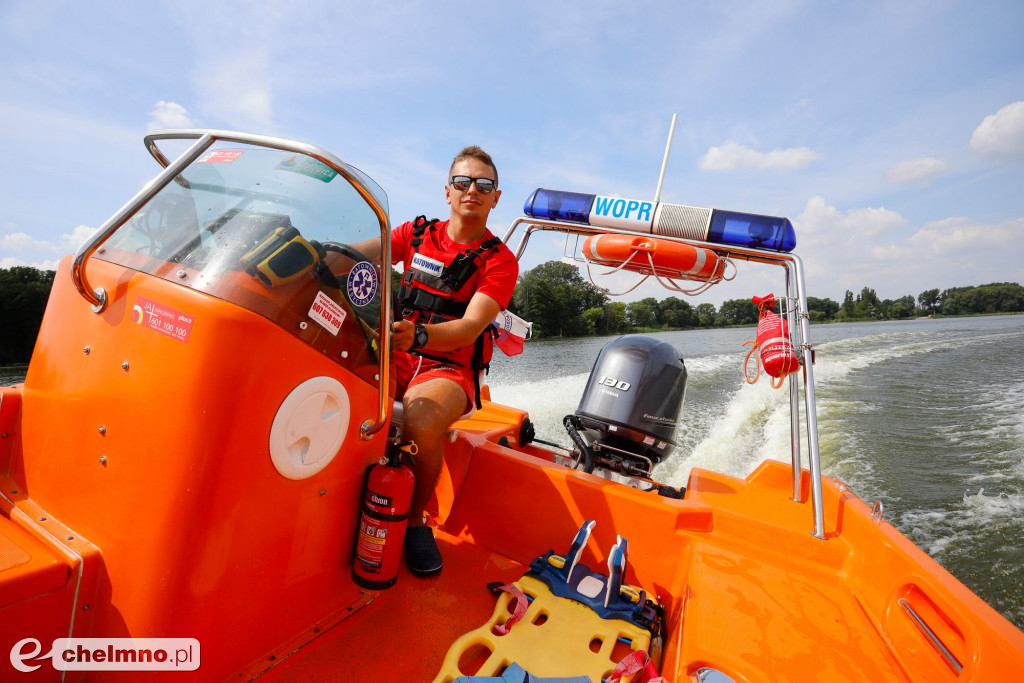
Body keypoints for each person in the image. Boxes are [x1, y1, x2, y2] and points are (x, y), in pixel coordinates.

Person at [356, 146, 519, 576]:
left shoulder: (500, 261)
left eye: (484, 185)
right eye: (463, 182)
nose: (472, 191)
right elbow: (356, 254)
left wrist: (422, 335)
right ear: (448, 191)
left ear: (495, 198)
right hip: (395, 353)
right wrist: (309, 251)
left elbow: (469, 327)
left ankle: (414, 521)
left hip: (448, 366)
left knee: (421, 421)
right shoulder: (414, 233)